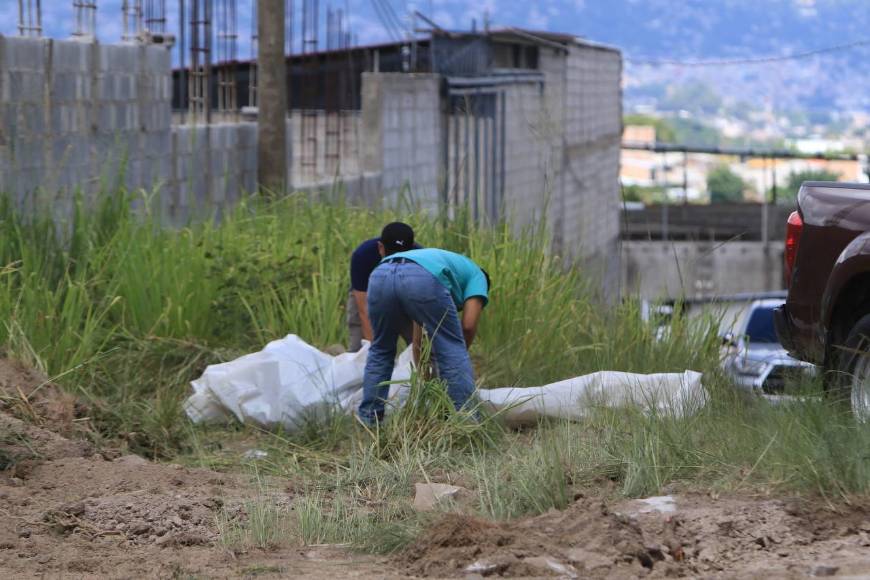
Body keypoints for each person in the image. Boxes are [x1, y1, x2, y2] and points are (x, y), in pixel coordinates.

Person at [358, 247, 490, 426]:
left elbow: (419, 341)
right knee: (452, 348)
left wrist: (426, 379)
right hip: (421, 278)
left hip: (381, 274)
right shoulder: (478, 276)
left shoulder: (445, 266)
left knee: (381, 349)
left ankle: (369, 420)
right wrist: (457, 356)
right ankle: (465, 421)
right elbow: (467, 326)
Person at [347, 223, 418, 352]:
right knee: (360, 344)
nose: (395, 261)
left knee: (419, 341)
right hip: (367, 291)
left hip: (405, 292)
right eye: (391, 256)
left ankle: (424, 368)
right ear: (381, 247)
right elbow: (363, 308)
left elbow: (421, 308)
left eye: (402, 258)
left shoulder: (420, 257)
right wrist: (373, 349)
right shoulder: (363, 255)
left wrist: (419, 346)